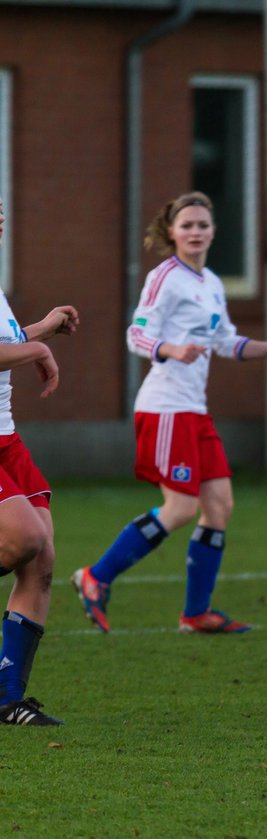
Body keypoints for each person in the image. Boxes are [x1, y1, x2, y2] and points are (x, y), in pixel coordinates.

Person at [71, 192, 267, 634]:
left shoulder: (211, 283)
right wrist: (170, 349)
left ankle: (195, 614)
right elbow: (135, 335)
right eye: (187, 225)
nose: (196, 232)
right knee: (179, 508)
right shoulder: (166, 278)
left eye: (203, 225)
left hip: (194, 411)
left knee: (219, 507)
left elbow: (225, 342)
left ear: (213, 232)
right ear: (172, 232)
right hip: (165, 409)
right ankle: (94, 577)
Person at [0, 195, 79, 725]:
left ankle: (7, 698)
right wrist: (35, 350)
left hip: (6, 439)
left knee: (42, 557)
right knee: (22, 536)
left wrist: (39, 332)